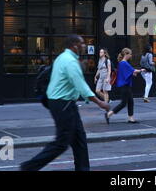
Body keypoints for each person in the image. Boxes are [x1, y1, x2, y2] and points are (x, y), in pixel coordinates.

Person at [20, 35, 110, 171]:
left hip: (64, 104)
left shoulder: (62, 57)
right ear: (74, 45)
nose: (84, 45)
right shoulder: (70, 61)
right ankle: (29, 167)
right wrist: (100, 103)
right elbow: (81, 86)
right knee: (61, 143)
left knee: (79, 140)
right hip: (63, 104)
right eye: (82, 43)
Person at [105, 48, 145, 124]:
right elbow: (133, 70)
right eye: (130, 54)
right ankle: (108, 114)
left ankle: (131, 118)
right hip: (125, 86)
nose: (131, 55)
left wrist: (133, 73)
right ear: (126, 54)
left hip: (125, 85)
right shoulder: (124, 63)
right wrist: (141, 70)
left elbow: (127, 73)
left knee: (130, 102)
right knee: (123, 103)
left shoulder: (122, 63)